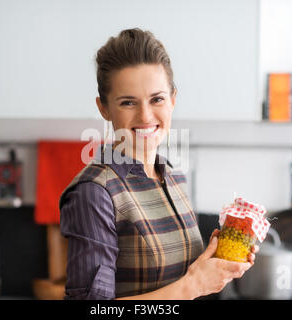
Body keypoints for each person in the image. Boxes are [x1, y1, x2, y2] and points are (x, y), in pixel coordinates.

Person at [59, 28, 258, 300]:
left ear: (173, 99)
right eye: (128, 102)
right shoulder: (95, 193)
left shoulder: (175, 178)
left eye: (157, 99)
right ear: (104, 108)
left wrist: (218, 258)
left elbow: (183, 280)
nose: (145, 115)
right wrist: (194, 285)